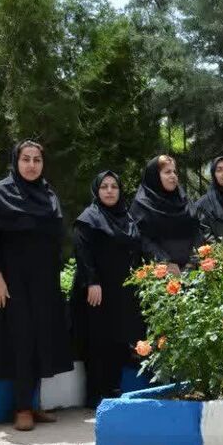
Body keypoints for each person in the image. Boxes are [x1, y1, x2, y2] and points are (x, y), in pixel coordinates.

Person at [0, 141, 73, 431]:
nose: (31, 165)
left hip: (43, 282)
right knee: (20, 339)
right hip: (11, 282)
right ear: (16, 161)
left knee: (41, 338)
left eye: (37, 160)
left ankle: (34, 403)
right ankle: (22, 408)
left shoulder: (47, 193)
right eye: (26, 159)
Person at [70, 171, 145, 408]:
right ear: (96, 190)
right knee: (97, 340)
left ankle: (113, 390)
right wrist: (92, 282)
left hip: (121, 291)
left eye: (114, 186)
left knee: (118, 339)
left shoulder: (126, 217)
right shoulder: (88, 218)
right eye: (104, 187)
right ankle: (95, 394)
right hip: (97, 291)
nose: (110, 191)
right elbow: (83, 252)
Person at [129, 155, 203, 272]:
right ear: (154, 176)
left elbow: (196, 228)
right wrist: (164, 262)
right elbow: (142, 238)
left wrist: (194, 258)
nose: (173, 175)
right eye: (167, 172)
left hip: (192, 269)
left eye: (174, 172)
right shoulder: (141, 205)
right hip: (159, 272)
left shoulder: (183, 199)